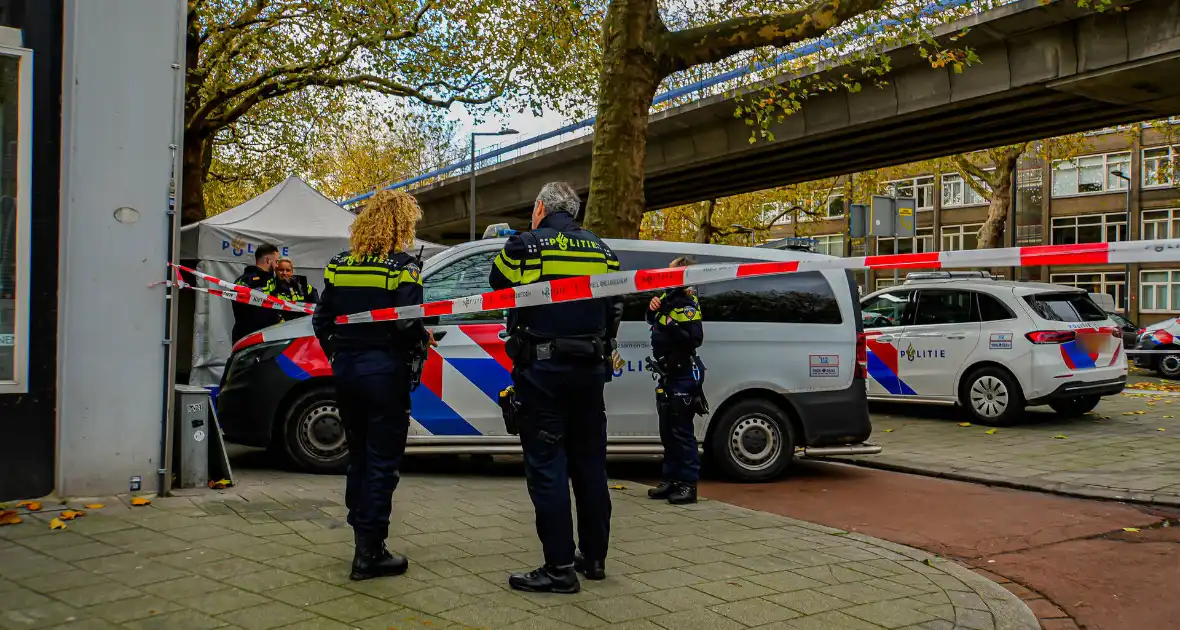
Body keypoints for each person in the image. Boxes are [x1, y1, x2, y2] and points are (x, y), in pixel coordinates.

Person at [489, 181, 623, 594]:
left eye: (533, 208)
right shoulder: (603, 251)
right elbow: (613, 306)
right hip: (589, 372)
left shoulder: (526, 246)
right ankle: (594, 559)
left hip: (544, 372)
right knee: (589, 466)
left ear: (542, 208)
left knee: (548, 468)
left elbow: (498, 285)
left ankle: (559, 568)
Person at [311, 189, 433, 581]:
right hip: (385, 373)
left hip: (346, 370)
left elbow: (322, 319)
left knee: (359, 455)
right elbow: (406, 321)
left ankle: (360, 531)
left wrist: (338, 353)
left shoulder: (339, 265)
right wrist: (418, 341)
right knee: (383, 460)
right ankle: (370, 551)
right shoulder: (402, 267)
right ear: (400, 224)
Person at [645, 257, 705, 505]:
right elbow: (650, 320)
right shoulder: (667, 299)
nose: (666, 277)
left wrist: (669, 320)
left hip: (682, 374)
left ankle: (687, 485)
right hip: (668, 374)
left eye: (671, 274)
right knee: (667, 431)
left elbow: (694, 338)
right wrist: (652, 308)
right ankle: (670, 480)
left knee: (682, 432)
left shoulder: (688, 304)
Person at [231, 244, 281, 342]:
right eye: (276, 261)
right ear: (267, 260)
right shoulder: (264, 282)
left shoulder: (240, 280)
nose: (277, 266)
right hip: (259, 340)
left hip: (241, 338)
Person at [274, 256, 319, 320]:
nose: (284, 273)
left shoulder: (300, 284)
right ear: (276, 271)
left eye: (288, 270)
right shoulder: (272, 286)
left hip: (301, 322)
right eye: (281, 270)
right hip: (282, 324)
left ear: (292, 272)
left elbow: (314, 295)